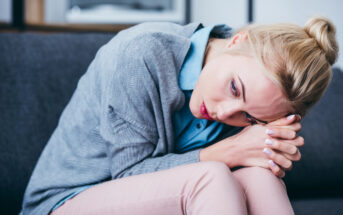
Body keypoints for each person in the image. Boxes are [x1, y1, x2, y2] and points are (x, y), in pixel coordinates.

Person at [20, 16, 338, 215]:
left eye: (250, 119)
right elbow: (128, 175)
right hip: (64, 203)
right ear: (237, 41)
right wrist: (231, 150)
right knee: (212, 179)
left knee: (260, 179)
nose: (224, 113)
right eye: (234, 88)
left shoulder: (244, 105)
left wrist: (271, 149)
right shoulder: (141, 54)